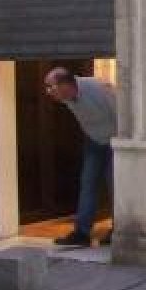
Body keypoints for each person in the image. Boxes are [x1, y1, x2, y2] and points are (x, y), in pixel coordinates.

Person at [43, 67, 117, 247]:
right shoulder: (66, 97)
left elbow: (120, 112)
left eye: (51, 87)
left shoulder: (98, 89)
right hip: (94, 141)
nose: (49, 92)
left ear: (65, 85)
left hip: (114, 142)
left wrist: (121, 144)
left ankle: (118, 232)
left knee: (116, 187)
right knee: (88, 184)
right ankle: (82, 233)